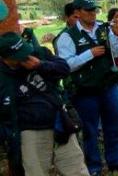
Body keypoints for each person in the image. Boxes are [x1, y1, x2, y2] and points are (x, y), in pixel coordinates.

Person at [56, 0, 118, 175]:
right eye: (88, 10)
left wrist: (117, 35)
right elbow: (65, 65)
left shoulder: (103, 28)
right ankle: (94, 167)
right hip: (85, 91)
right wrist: (89, 54)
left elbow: (116, 51)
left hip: (108, 86)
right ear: (77, 12)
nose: (92, 13)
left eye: (94, 10)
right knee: (90, 130)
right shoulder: (67, 37)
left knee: (114, 124)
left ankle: (116, 160)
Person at [0, 31, 90, 176]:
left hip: (59, 122)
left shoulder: (38, 53)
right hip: (29, 133)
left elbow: (64, 69)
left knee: (77, 170)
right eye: (19, 54)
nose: (25, 56)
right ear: (7, 57)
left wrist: (41, 65)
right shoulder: (3, 79)